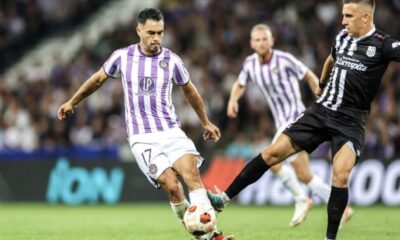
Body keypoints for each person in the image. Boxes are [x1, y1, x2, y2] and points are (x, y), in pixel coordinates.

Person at [208, 1, 396, 239]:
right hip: (320, 112)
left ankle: (329, 236)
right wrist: (322, 84)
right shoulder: (342, 38)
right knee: (271, 155)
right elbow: (331, 58)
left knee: (340, 175)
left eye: (349, 16)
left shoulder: (383, 43)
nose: (343, 20)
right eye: (342, 15)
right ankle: (223, 199)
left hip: (350, 121)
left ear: (365, 17)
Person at [57, 8, 233, 240]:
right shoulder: (122, 57)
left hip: (171, 131)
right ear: (138, 30)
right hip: (142, 138)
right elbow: (98, 79)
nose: (157, 38)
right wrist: (72, 101)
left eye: (160, 33)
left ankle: (212, 236)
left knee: (191, 174)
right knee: (172, 186)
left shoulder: (171, 60)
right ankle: (201, 234)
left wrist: (205, 122)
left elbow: (189, 90)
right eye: (151, 32)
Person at [224, 23, 352, 228]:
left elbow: (308, 74)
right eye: (257, 40)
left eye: (264, 39)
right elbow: (240, 83)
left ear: (272, 40)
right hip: (280, 121)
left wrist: (319, 95)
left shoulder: (284, 59)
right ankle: (340, 206)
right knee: (303, 174)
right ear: (251, 43)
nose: (261, 43)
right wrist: (233, 100)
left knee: (270, 159)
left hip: (295, 117)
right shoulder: (249, 64)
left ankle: (301, 199)